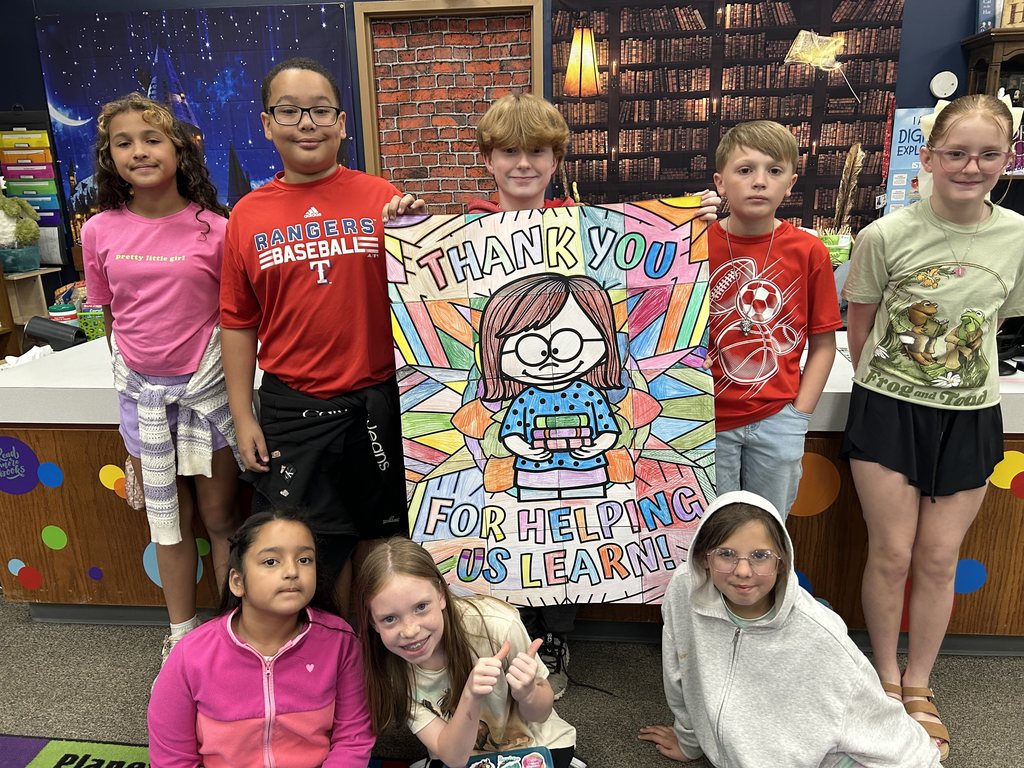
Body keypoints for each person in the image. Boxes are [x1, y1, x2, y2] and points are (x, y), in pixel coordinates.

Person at [464, 92, 722, 698]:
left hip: (585, 463)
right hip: (517, 458)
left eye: (537, 151)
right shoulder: (460, 230)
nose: (522, 163)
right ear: (488, 159)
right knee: (516, 534)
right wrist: (403, 216)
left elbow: (657, 259)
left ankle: (555, 632)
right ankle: (508, 631)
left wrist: (694, 221)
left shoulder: (589, 228)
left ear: (558, 159)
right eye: (509, 152)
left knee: (572, 538)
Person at [842, 93, 1024, 761]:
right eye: (957, 153)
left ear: (1006, 159)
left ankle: (921, 684)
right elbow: (860, 327)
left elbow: (997, 319)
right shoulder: (884, 236)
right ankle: (884, 678)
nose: (971, 166)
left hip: (971, 414)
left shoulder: (1018, 235)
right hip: (889, 409)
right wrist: (895, 384)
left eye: (988, 154)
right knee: (890, 554)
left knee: (938, 558)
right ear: (929, 157)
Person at [220, 57, 421, 614]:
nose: (305, 122)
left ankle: (381, 659)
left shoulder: (383, 198)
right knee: (306, 545)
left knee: (383, 539)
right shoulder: (246, 215)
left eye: (319, 110)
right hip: (293, 406)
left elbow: (425, 295)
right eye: (289, 111)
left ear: (342, 123)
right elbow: (237, 322)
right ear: (266, 123)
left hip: (380, 400)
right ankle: (328, 654)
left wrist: (417, 230)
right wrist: (242, 414)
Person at [82, 93, 241, 665]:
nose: (139, 152)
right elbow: (109, 319)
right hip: (143, 401)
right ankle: (179, 633)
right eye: (123, 142)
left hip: (208, 398)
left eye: (151, 139)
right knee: (168, 522)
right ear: (109, 156)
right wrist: (135, 384)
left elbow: (235, 319)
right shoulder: (98, 230)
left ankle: (234, 633)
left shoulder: (216, 229)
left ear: (179, 147)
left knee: (221, 517)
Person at [638, 491, 940, 767]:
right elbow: (679, 670)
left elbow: (872, 712)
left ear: (782, 562)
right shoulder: (683, 590)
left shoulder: (820, 634)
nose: (743, 571)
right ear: (704, 557)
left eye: (760, 556)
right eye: (726, 554)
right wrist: (689, 740)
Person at [148, 509, 374, 767]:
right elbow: (172, 758)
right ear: (237, 582)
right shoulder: (190, 654)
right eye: (271, 562)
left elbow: (353, 738)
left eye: (304, 559)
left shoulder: (341, 643)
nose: (292, 571)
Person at [707, 120, 841, 518]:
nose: (759, 181)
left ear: (791, 183)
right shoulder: (694, 244)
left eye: (774, 171)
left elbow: (823, 345)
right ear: (720, 182)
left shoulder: (808, 250)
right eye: (745, 170)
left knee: (770, 532)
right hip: (708, 421)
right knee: (710, 536)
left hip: (778, 418)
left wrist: (799, 415)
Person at [355, 537, 577, 768]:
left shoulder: (498, 625)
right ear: (373, 622)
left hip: (538, 746)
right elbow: (454, 757)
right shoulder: (391, 669)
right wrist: (470, 696)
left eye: (421, 607)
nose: (411, 631)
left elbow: (540, 714)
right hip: (459, 753)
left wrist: (529, 692)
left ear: (441, 595)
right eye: (390, 619)